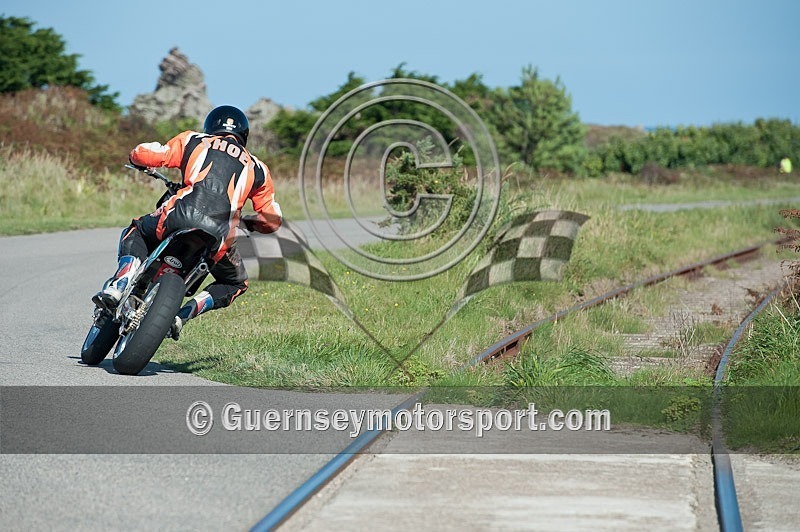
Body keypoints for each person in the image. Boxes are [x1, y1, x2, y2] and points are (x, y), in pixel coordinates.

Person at [93, 105, 282, 339]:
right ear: (244, 135)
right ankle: (182, 315)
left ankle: (120, 282)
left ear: (210, 127)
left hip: (178, 216)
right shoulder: (259, 168)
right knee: (236, 284)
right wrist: (246, 223)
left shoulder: (194, 140)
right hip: (221, 236)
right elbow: (272, 220)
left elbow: (148, 154)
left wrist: (135, 157)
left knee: (137, 231)